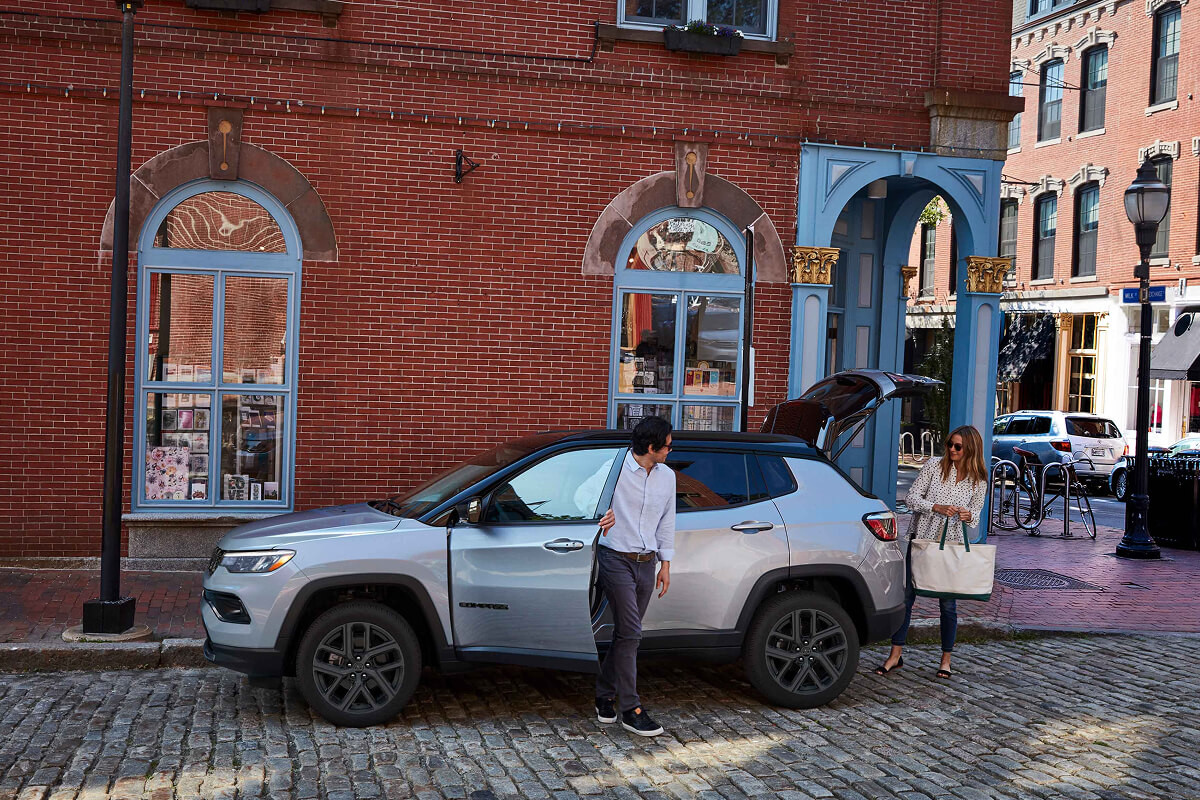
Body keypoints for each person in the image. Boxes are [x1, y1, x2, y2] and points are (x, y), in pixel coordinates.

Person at [875, 425, 988, 680]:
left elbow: (976, 516)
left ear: (970, 449)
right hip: (922, 540)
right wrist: (936, 507)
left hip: (951, 545)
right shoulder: (934, 466)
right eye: (950, 444)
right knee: (907, 599)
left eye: (958, 446)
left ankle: (946, 660)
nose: (952, 449)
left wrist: (967, 514)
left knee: (948, 605)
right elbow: (911, 499)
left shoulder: (979, 479)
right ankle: (895, 655)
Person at [594, 415, 675, 737]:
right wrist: (601, 513)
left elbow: (667, 520)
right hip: (615, 557)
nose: (671, 450)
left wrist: (665, 563)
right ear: (651, 447)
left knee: (626, 635)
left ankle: (604, 694)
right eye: (667, 446)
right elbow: (581, 497)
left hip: (647, 562)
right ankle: (631, 708)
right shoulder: (614, 469)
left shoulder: (667, 476)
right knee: (631, 633)